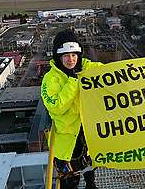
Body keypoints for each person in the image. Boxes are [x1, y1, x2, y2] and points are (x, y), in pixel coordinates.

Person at [41, 29, 102, 189]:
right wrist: (73, 82)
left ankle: (91, 185)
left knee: (89, 164)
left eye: (74, 55)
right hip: (66, 136)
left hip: (86, 131)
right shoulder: (50, 78)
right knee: (69, 177)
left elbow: (106, 72)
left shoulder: (85, 67)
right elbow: (56, 107)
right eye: (66, 55)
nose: (71, 59)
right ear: (59, 56)